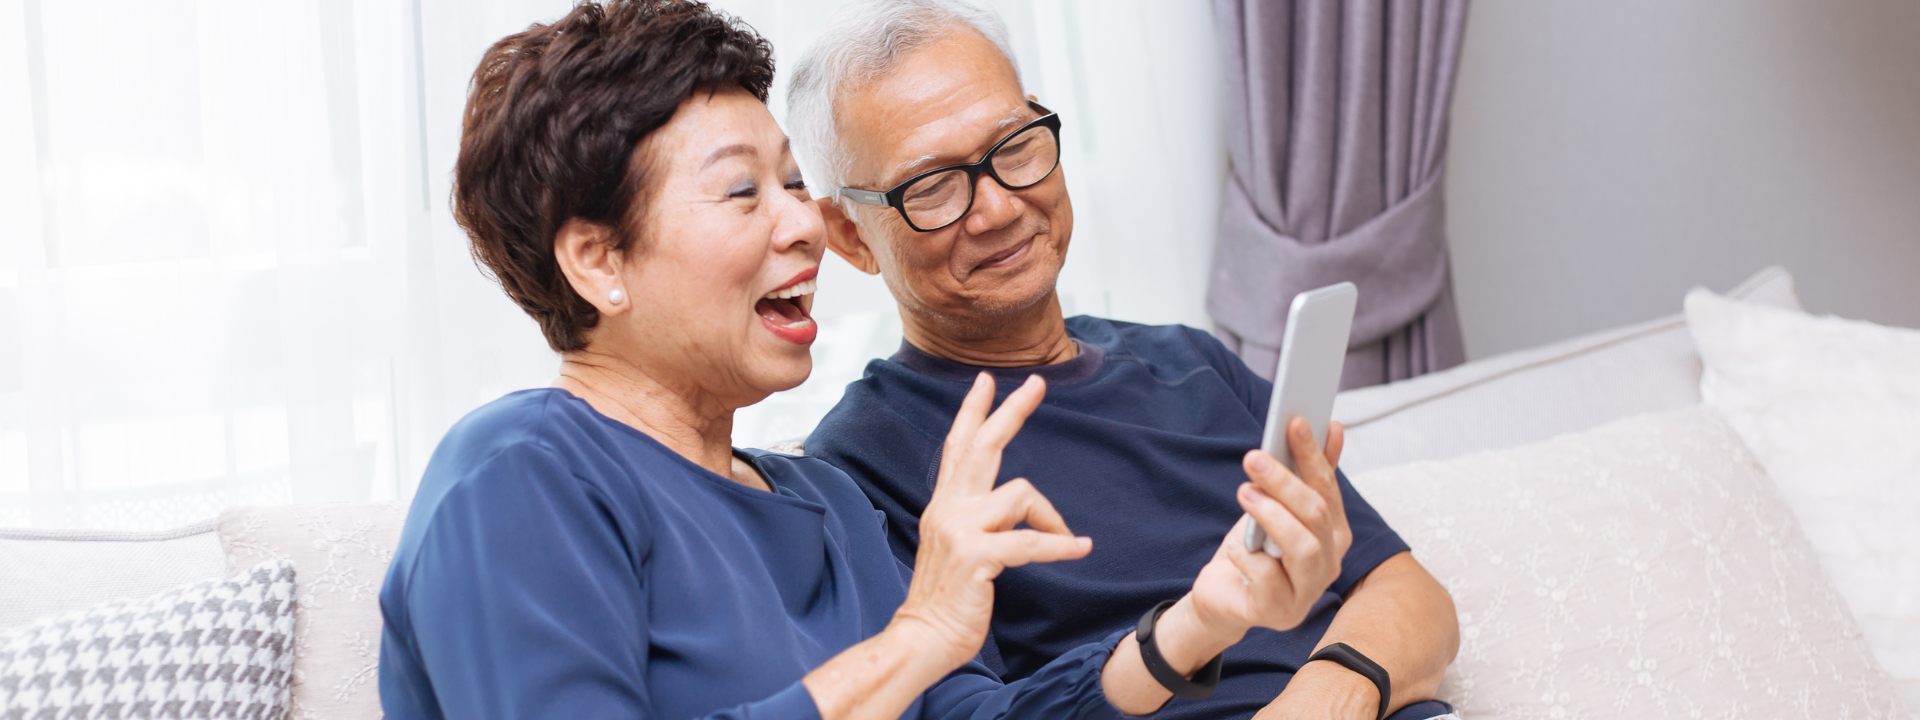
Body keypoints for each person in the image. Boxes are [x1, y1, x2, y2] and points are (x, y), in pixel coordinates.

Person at [378, 2, 1363, 719]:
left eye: (796, 183)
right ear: (598, 261)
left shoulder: (829, 505)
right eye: (741, 194)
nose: (806, 226)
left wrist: (1198, 619)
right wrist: (916, 638)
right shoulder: (520, 473)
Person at [789, 2, 1462, 719]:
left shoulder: (1192, 361)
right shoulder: (859, 466)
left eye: (1014, 145)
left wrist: (1332, 694)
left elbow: (1408, 591)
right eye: (932, 187)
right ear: (850, 237)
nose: (996, 208)